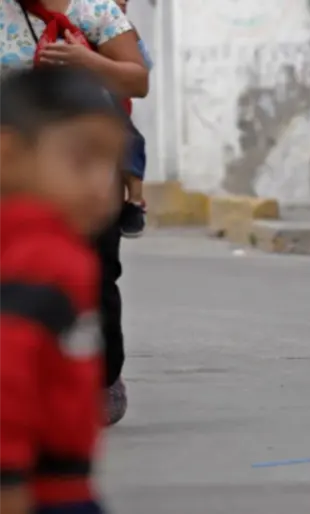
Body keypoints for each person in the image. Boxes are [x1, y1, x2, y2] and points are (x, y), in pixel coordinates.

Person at [0, 0, 151, 425]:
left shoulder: (96, 9)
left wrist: (85, 61)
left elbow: (137, 81)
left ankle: (103, 378)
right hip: (14, 174)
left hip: (85, 172)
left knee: (96, 273)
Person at [0, 65, 128, 514]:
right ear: (9, 157)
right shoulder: (41, 258)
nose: (100, 186)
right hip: (44, 492)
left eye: (109, 165)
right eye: (80, 160)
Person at [114, 0, 152, 239]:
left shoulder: (124, 30)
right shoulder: (81, 21)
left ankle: (135, 201)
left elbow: (144, 67)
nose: (123, 1)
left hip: (115, 110)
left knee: (131, 140)